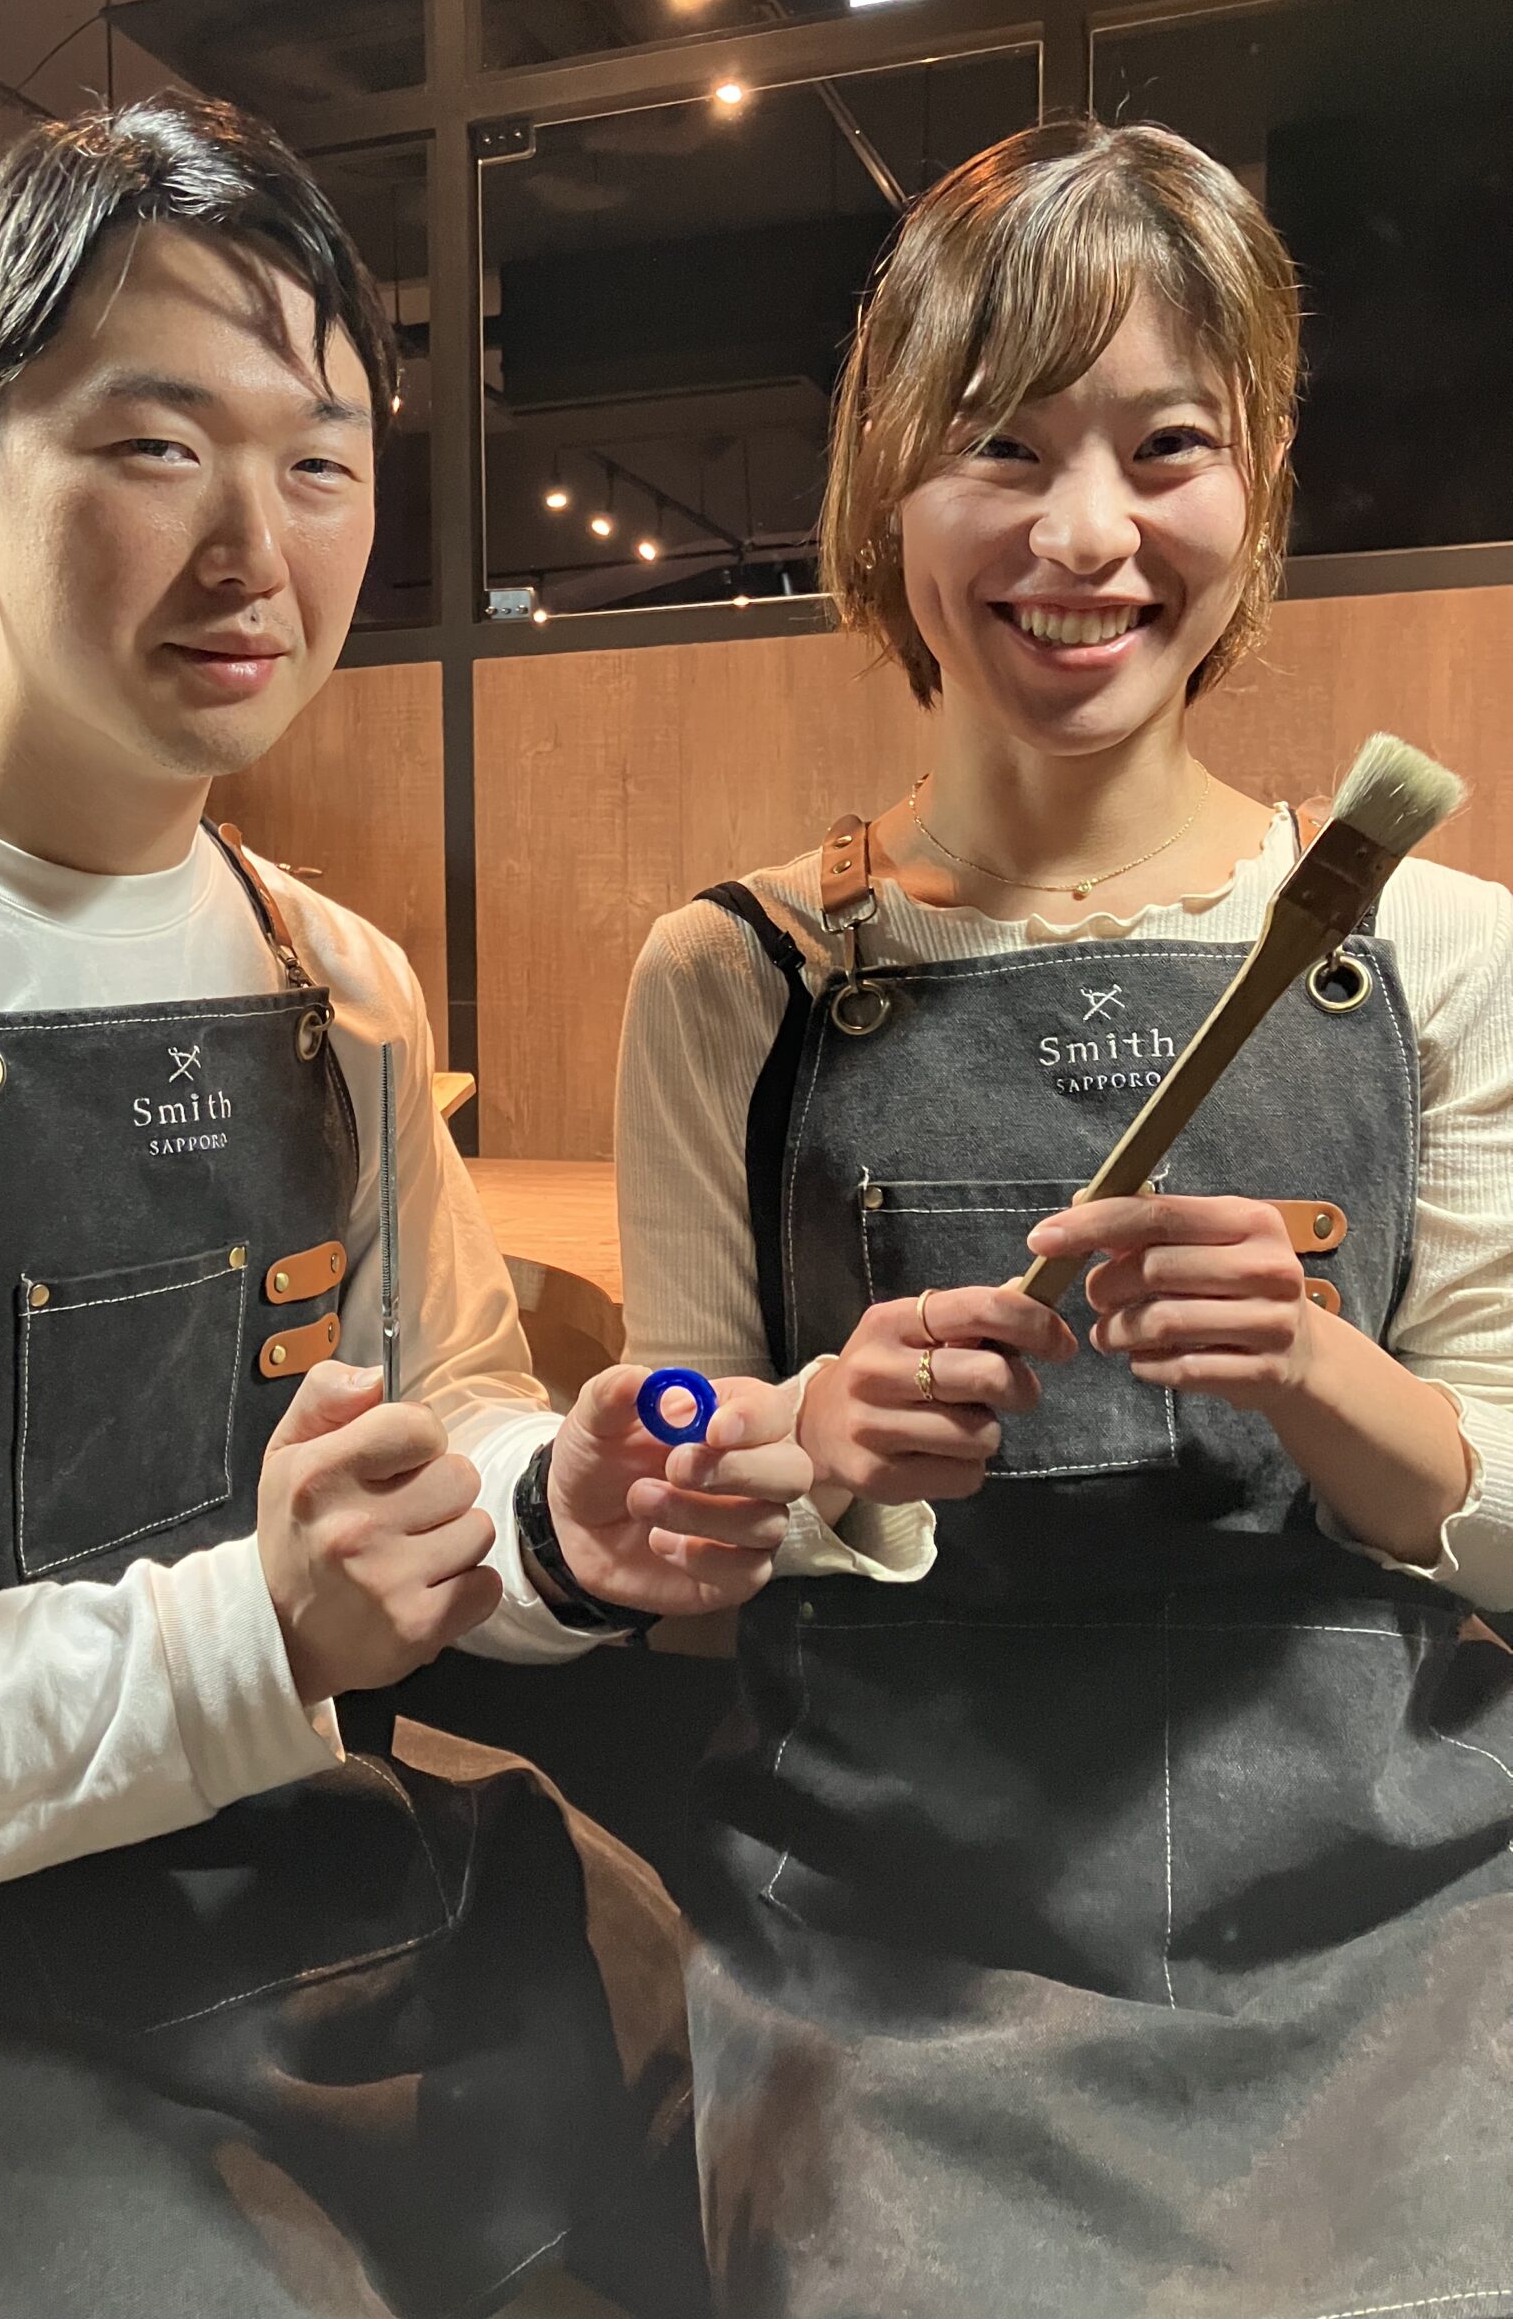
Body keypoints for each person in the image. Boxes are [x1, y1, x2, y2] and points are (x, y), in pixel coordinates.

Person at [0, 97, 814, 2319]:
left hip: (280, 1905)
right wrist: (258, 1635)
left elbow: (443, 1416)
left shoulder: (333, 979)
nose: (258, 548)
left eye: (321, 462)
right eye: (156, 447)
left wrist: (555, 1517)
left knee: (779, 2148)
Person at [614, 117, 1513, 2316]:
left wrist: (1319, 1367)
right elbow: (660, 1476)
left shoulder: (1443, 954)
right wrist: (803, 1442)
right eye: (999, 448)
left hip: (1396, 1934)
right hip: (888, 1947)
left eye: (1165, 446)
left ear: (1258, 484)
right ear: (885, 494)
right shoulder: (735, 973)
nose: (1084, 533)